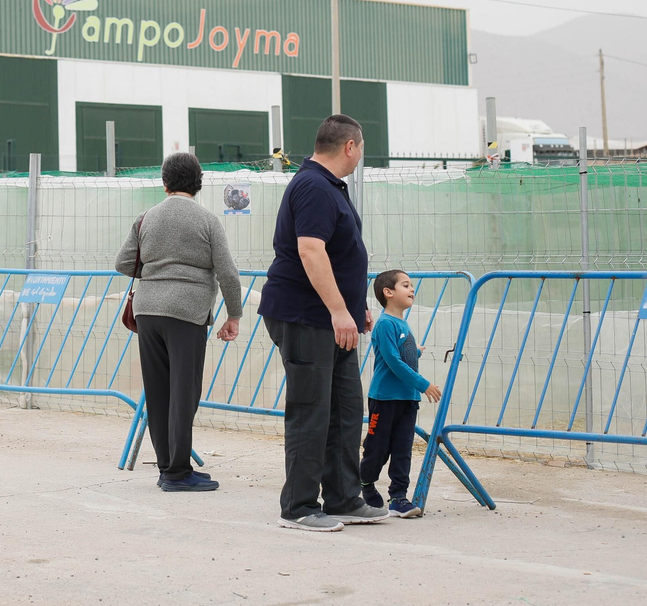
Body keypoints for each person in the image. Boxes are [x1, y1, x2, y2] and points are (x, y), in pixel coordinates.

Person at [258, 114, 383, 532]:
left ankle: (344, 498)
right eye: (361, 147)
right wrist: (337, 309)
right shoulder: (312, 186)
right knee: (312, 411)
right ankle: (298, 506)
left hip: (334, 320)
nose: (360, 154)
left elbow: (342, 254)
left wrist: (355, 304)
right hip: (307, 317)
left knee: (346, 410)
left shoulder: (329, 187)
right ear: (349, 146)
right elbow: (311, 252)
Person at [114, 152, 242, 491]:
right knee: (184, 392)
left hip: (148, 311)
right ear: (198, 182)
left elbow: (123, 263)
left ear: (165, 181)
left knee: (158, 391)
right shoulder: (208, 220)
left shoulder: (146, 218)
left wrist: (157, 272)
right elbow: (228, 272)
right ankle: (177, 473)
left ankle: (169, 467)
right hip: (188, 312)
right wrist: (234, 315)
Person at [362, 269, 441, 518]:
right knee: (377, 448)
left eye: (412, 286)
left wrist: (416, 351)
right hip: (385, 399)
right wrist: (423, 384)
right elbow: (394, 362)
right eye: (405, 285)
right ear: (388, 292)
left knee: (402, 449)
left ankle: (398, 497)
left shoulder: (402, 323)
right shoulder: (385, 324)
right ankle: (364, 485)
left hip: (407, 400)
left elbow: (403, 357)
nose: (412, 290)